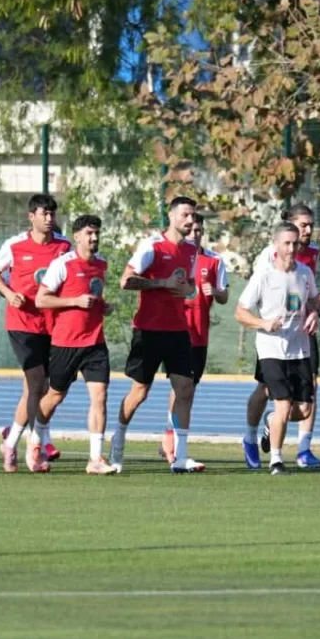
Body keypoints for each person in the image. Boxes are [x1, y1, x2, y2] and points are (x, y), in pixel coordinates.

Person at [109, 196, 205, 474]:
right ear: (171, 216)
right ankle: (118, 438)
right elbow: (126, 281)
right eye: (185, 215)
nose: (190, 220)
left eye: (193, 216)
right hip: (148, 330)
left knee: (185, 389)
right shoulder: (152, 246)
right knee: (140, 392)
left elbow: (189, 286)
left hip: (178, 330)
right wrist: (162, 283)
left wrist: (189, 290)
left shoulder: (192, 250)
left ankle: (180, 456)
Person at [0, 194, 72, 473]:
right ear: (31, 216)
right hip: (22, 323)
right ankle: (33, 447)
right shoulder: (14, 245)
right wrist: (8, 293)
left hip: (53, 325)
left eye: (52, 214)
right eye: (43, 214)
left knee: (42, 389)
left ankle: (11, 442)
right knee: (37, 383)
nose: (49, 219)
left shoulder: (64, 246)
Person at [35, 215, 117, 475]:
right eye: (89, 233)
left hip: (95, 342)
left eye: (97, 233)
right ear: (77, 236)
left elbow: (94, 296)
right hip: (66, 343)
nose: (94, 238)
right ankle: (35, 440)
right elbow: (41, 300)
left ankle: (95, 459)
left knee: (100, 396)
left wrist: (104, 306)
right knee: (55, 395)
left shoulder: (101, 263)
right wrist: (75, 301)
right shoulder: (62, 264)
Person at [236, 222, 320, 474]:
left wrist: (314, 313)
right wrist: (263, 323)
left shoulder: (305, 273)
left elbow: (313, 301)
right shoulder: (264, 275)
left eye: (295, 243)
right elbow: (240, 312)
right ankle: (276, 461)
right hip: (271, 349)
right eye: (286, 243)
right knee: (282, 403)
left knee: (303, 410)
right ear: (276, 244)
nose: (291, 248)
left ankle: (271, 421)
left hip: (299, 349)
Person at [254, 204, 320, 469]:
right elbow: (261, 292)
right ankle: (258, 433)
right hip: (274, 336)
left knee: (311, 389)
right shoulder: (269, 256)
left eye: (311, 225)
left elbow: (310, 296)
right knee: (266, 390)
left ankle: (304, 449)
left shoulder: (312, 255)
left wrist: (315, 310)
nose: (308, 230)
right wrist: (267, 322)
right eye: (303, 225)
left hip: (302, 333)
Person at [162, 213, 229, 461]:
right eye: (190, 230)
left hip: (200, 336)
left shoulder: (213, 260)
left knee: (187, 389)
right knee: (181, 387)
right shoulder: (175, 256)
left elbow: (224, 297)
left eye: (199, 230)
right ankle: (172, 442)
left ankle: (171, 439)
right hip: (176, 333)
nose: (194, 234)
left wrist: (217, 291)